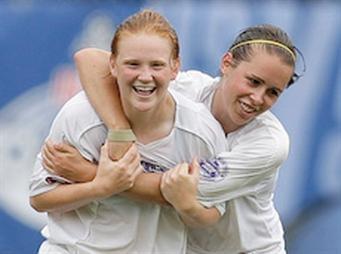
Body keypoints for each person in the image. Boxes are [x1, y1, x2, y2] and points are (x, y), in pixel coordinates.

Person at [45, 23, 302, 253]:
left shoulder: (269, 145)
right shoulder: (187, 90)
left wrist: (90, 174)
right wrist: (118, 129)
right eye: (253, 81)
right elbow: (90, 59)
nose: (257, 98)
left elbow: (171, 190)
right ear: (226, 63)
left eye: (272, 92)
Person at [29, 10, 227, 254]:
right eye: (133, 64)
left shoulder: (202, 132)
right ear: (113, 64)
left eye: (157, 65)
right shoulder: (80, 116)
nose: (145, 77)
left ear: (175, 67)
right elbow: (40, 197)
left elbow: (213, 213)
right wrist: (99, 187)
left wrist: (184, 203)